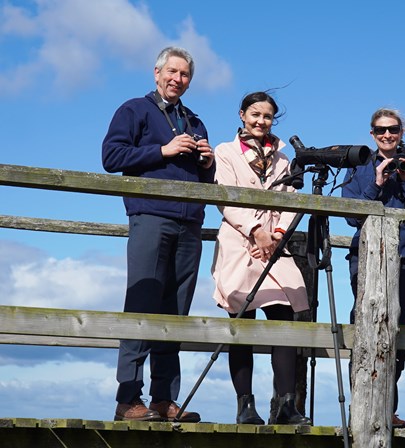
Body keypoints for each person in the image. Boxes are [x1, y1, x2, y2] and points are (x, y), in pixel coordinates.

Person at [102, 46, 214, 422]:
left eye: (184, 75)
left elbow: (207, 183)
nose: (177, 79)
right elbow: (112, 157)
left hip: (189, 225)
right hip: (151, 216)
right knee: (141, 305)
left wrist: (208, 163)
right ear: (156, 73)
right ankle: (127, 399)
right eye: (172, 72)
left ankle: (163, 399)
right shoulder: (134, 109)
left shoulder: (195, 121)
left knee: (175, 313)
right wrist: (163, 150)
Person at [211, 91, 312, 426]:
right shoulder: (225, 153)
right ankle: (245, 405)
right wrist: (255, 231)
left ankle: (286, 404)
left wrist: (277, 234)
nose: (260, 121)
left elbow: (290, 199)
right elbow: (224, 196)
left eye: (267, 116)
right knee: (241, 320)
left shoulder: (282, 159)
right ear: (242, 115)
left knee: (283, 318)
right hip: (240, 242)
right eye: (255, 114)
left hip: (275, 245)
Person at [341, 108, 405, 429]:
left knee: (398, 332)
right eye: (380, 131)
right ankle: (361, 406)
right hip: (364, 259)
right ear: (372, 134)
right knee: (364, 329)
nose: (387, 136)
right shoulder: (357, 170)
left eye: (393, 130)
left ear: (401, 133)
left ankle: (387, 405)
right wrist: (377, 184)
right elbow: (352, 217)